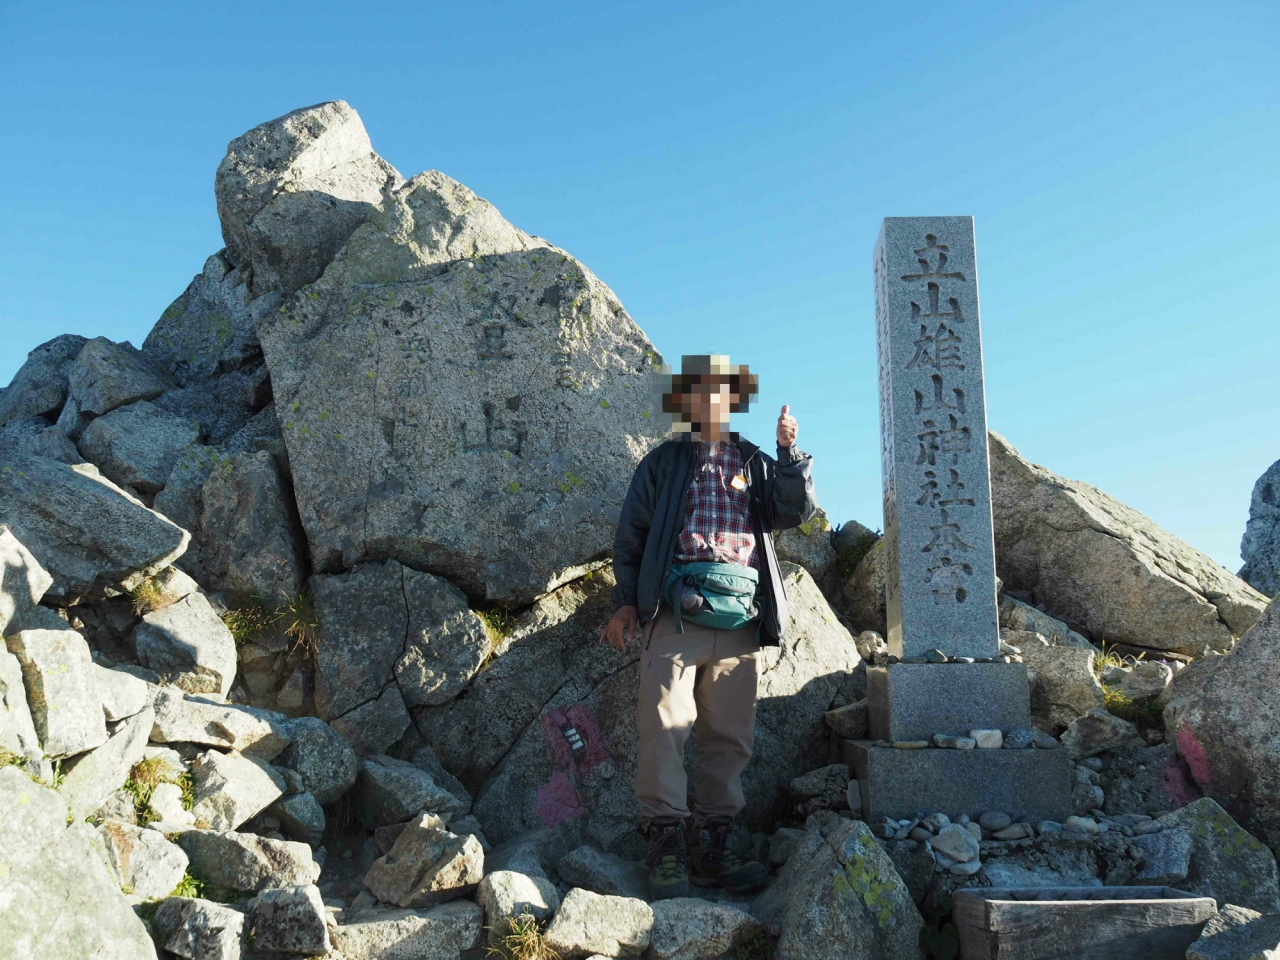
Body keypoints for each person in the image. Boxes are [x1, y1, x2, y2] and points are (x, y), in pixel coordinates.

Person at [599, 354, 818, 899]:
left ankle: (714, 845)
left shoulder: (755, 460)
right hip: (675, 611)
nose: (711, 403)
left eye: (721, 393)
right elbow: (632, 536)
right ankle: (667, 843)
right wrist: (626, 602)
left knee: (731, 736)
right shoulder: (663, 463)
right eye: (700, 394)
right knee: (662, 729)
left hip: (741, 617)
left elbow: (794, 511)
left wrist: (790, 454)